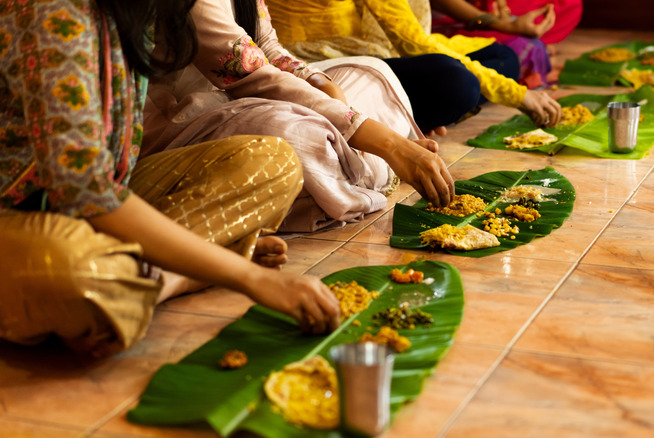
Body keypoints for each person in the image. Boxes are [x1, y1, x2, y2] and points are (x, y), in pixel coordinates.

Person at [0, 0, 341, 357]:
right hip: (23, 214)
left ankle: (161, 277)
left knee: (274, 160)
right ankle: (188, 269)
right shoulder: (54, 9)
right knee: (75, 274)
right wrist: (250, 277)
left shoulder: (136, 12)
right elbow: (86, 193)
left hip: (102, 204)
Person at [142, 0, 455, 232]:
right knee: (294, 134)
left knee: (373, 73)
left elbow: (267, 47)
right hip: (185, 117)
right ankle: (367, 162)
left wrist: (322, 84)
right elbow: (252, 75)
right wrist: (389, 143)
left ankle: (347, 167)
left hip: (251, 96)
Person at [265, 0, 562, 129]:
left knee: (503, 58)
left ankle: (408, 110)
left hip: (372, 45)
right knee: (459, 85)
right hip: (324, 65)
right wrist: (517, 94)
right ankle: (403, 116)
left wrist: (500, 22)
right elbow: (411, 41)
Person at [429, 0, 583, 87]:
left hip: (489, 13)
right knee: (511, 58)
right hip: (447, 18)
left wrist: (502, 9)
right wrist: (504, 25)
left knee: (571, 4)